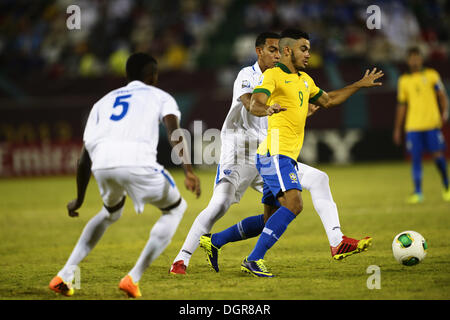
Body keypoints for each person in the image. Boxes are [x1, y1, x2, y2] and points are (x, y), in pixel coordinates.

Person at [49, 53, 201, 298]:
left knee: (110, 213)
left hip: (102, 166)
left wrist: (78, 199)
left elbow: (84, 156)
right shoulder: (160, 96)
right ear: (153, 76)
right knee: (175, 208)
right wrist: (189, 170)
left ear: (126, 75)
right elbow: (174, 131)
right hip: (137, 163)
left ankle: (64, 275)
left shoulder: (102, 103)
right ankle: (133, 278)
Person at [239, 29, 383, 277]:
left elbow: (329, 100)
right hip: (275, 153)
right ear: (287, 51)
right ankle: (254, 259)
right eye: (303, 49)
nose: (308, 53)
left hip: (285, 157)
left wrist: (358, 84)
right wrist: (268, 108)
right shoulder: (273, 75)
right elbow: (255, 103)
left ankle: (215, 241)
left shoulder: (305, 80)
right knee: (294, 204)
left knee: (272, 215)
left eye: (309, 48)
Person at [170, 32, 281, 274]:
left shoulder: (280, 79)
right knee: (220, 203)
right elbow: (250, 103)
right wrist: (269, 108)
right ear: (258, 51)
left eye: (280, 50)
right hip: (239, 149)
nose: (277, 55)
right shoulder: (246, 75)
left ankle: (217, 241)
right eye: (272, 50)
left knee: (285, 207)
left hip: (265, 152)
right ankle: (182, 258)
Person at [393, 46, 449, 204]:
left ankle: (446, 186)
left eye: (417, 57)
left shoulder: (432, 75)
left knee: (438, 157)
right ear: (407, 60)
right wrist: (397, 128)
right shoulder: (404, 80)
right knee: (415, 159)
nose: (414, 60)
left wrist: (444, 113)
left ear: (421, 59)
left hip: (431, 124)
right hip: (413, 126)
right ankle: (418, 192)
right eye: (411, 57)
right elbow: (401, 105)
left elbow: (442, 96)